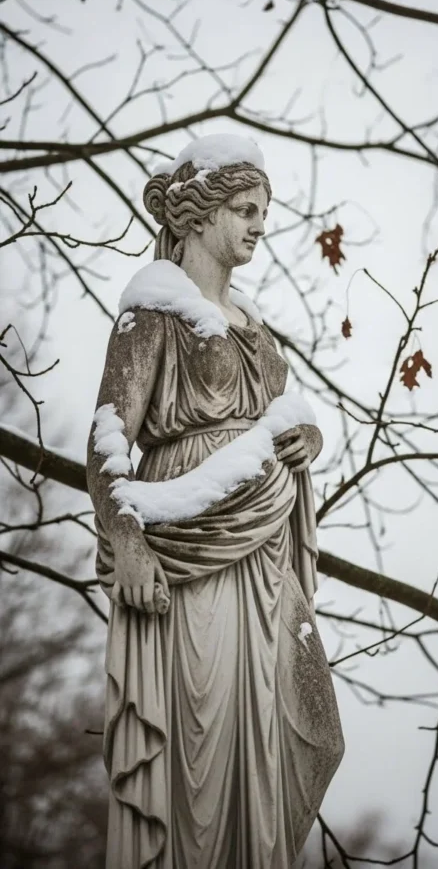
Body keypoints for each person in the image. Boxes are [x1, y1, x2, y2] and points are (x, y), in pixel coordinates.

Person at [87, 135, 344, 869]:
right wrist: (129, 537)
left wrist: (308, 442)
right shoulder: (153, 310)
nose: (259, 223)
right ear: (198, 215)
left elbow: (287, 418)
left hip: (264, 561)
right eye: (243, 208)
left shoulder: (258, 335)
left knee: (278, 734)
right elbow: (107, 436)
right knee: (199, 737)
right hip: (186, 550)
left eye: (263, 210)